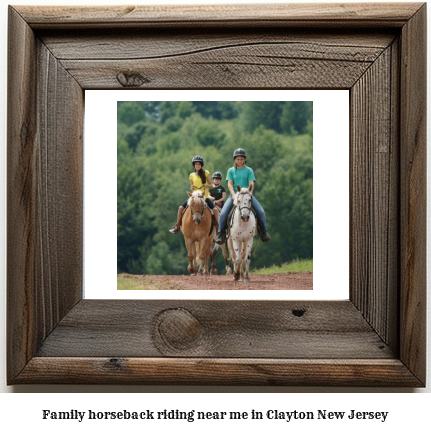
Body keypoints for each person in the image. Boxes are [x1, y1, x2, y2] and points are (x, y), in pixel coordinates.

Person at [214, 148, 271, 244]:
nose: (240, 161)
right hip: (235, 195)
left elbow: (251, 183)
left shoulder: (249, 170)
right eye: (238, 159)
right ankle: (220, 234)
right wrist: (233, 195)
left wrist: (250, 194)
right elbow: (230, 184)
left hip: (247, 195)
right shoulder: (231, 171)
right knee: (223, 213)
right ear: (235, 160)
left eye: (241, 159)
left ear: (244, 159)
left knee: (261, 212)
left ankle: (263, 233)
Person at [169, 155, 215, 234]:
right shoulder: (191, 175)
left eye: (199, 164)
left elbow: (212, 185)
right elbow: (192, 188)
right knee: (180, 208)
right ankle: (177, 226)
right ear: (194, 165)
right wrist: (192, 187)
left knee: (215, 211)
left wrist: (206, 185)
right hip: (194, 197)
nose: (197, 166)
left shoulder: (206, 173)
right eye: (196, 164)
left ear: (201, 165)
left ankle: (218, 229)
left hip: (204, 197)